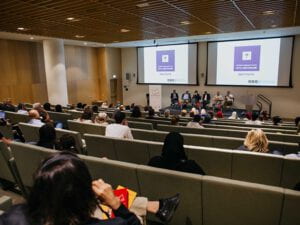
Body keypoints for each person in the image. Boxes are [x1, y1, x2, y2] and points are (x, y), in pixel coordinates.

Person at [0, 152, 180, 225]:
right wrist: (117, 205)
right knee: (118, 200)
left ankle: (156, 206)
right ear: (84, 196)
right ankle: (156, 206)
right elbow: (131, 223)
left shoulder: (14, 216)